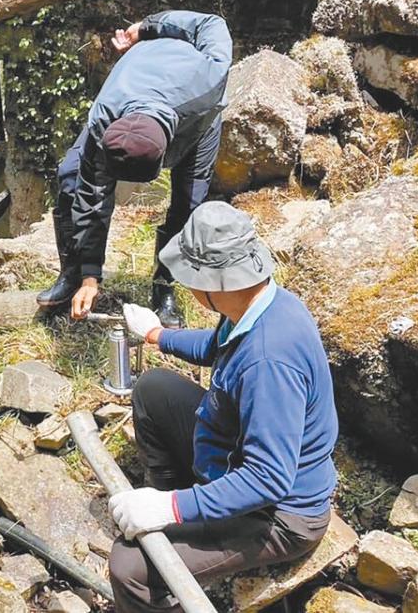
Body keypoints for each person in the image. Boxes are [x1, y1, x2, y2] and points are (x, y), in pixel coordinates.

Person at [106, 201, 338, 613]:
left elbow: (268, 479)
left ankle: (173, 541)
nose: (187, 287)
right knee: (154, 388)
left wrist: (169, 508)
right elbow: (215, 347)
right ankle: (178, 515)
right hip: (233, 458)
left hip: (278, 515)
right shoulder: (260, 304)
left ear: (215, 282)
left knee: (128, 567)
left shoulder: (270, 360)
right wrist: (157, 335)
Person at [36, 10, 233, 329]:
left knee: (188, 202)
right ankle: (73, 274)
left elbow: (212, 23)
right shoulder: (104, 116)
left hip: (198, 121)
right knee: (71, 178)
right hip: (131, 99)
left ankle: (164, 287)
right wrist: (91, 277)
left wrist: (147, 28)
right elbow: (93, 199)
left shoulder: (208, 77)